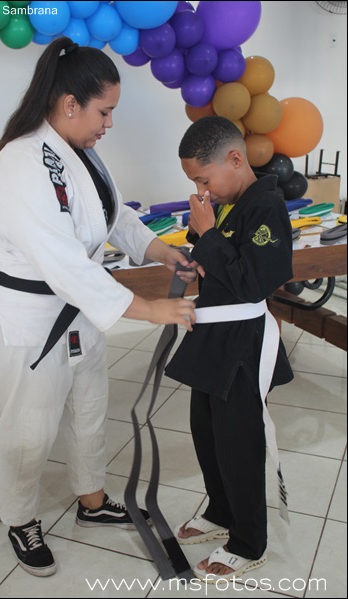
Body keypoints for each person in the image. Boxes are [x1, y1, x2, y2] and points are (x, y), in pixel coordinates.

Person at [0, 37, 197, 578]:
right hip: (28, 322)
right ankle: (21, 519)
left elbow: (112, 215)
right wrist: (150, 310)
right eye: (105, 111)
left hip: (79, 313)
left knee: (90, 410)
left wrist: (160, 250)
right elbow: (65, 262)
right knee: (29, 429)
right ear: (70, 104)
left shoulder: (80, 151)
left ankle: (91, 501)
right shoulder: (22, 163)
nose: (110, 123)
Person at [165, 116, 294, 583]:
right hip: (214, 336)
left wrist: (209, 235)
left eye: (204, 179)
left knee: (240, 442)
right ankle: (220, 509)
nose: (202, 190)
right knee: (207, 431)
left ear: (236, 159)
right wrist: (199, 246)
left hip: (244, 342)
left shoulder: (267, 206)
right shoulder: (229, 204)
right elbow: (222, 263)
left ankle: (248, 541)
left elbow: (254, 281)